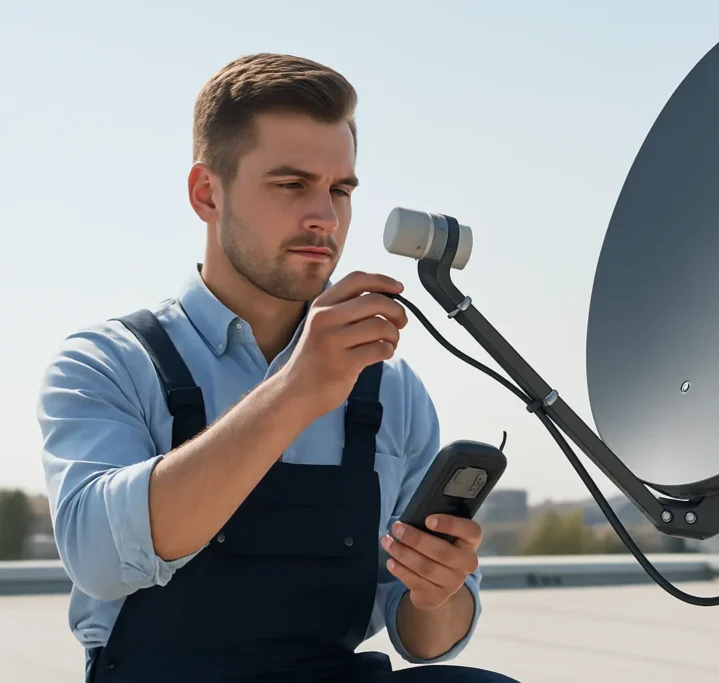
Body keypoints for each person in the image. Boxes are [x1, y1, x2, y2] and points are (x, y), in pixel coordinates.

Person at [36, 53, 519, 683]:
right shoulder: (107, 364)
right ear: (207, 193)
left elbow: (428, 641)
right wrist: (296, 390)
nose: (325, 216)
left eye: (340, 189)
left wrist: (439, 591)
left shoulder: (389, 387)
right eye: (291, 185)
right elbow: (99, 559)